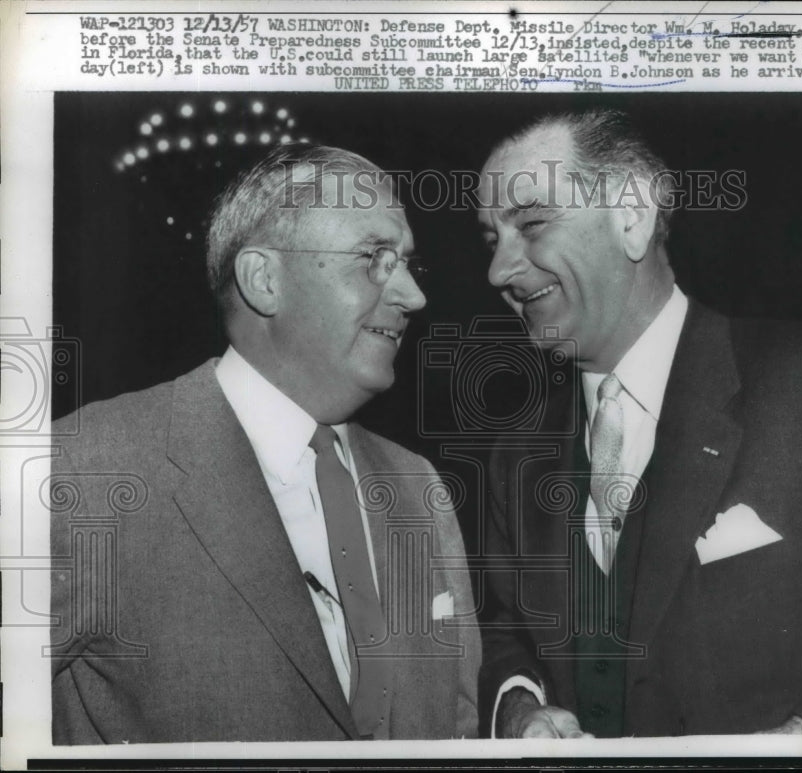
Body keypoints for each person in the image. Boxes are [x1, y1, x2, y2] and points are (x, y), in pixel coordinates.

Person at [476, 109, 802, 738]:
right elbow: (506, 631)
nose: (499, 270)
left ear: (632, 216)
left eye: (531, 224)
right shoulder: (515, 454)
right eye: (491, 240)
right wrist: (519, 707)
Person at [50, 144, 480, 743]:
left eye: (407, 263)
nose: (413, 295)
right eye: (374, 259)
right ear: (264, 280)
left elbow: (457, 726)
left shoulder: (418, 487)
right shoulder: (84, 469)